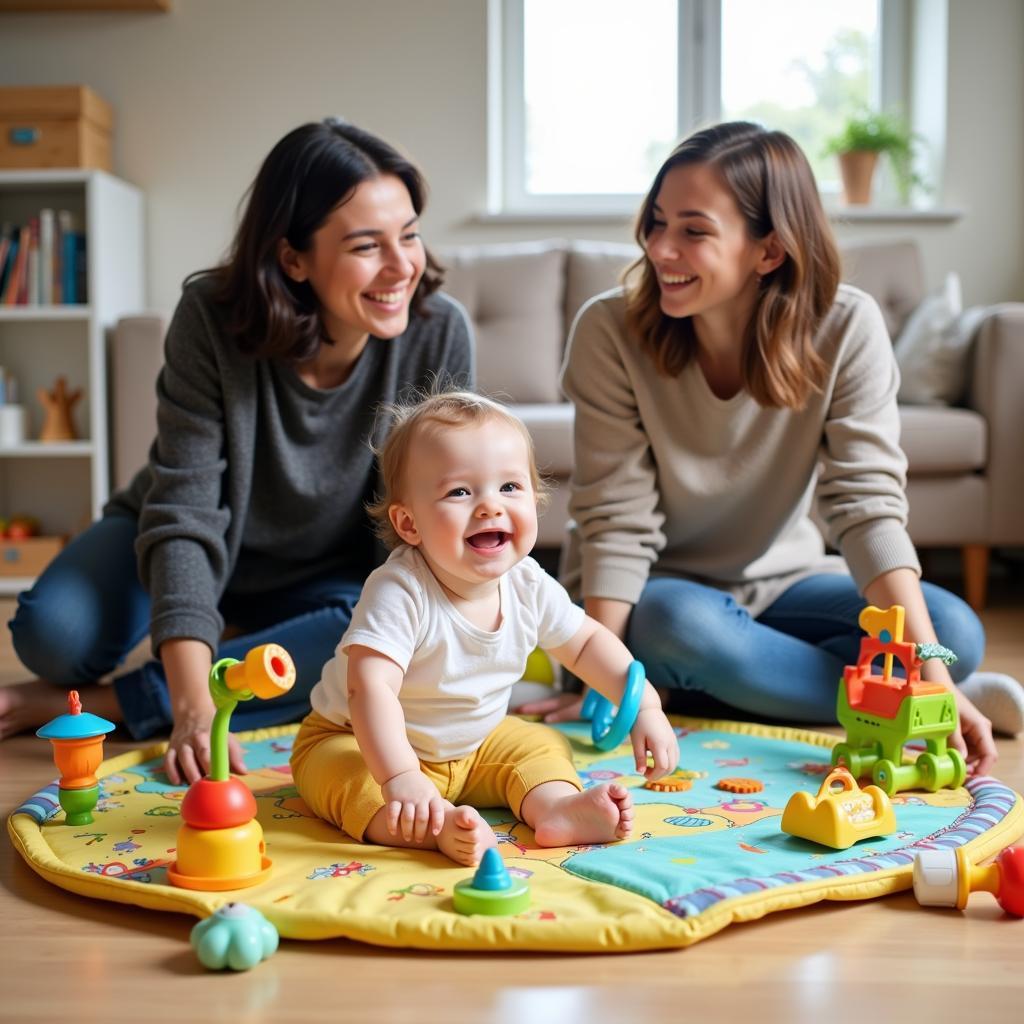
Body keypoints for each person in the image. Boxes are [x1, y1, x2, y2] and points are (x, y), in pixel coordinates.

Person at [519, 121, 1024, 777]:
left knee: (953, 633)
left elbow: (865, 505)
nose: (660, 248)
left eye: (693, 230)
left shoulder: (846, 325)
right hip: (654, 598)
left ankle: (890, 692)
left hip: (784, 582)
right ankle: (894, 705)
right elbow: (615, 517)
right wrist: (600, 672)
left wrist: (929, 664)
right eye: (657, 222)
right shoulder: (608, 330)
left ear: (768, 251)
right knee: (680, 628)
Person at [3, 119, 475, 785]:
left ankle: (115, 703)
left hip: (327, 575)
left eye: (410, 235)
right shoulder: (210, 317)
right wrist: (195, 706)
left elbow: (427, 529)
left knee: (375, 637)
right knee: (51, 636)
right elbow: (185, 512)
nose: (402, 267)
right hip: (193, 540)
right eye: (368, 246)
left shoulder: (438, 332)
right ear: (292, 259)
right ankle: (208, 656)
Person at [289, 392, 679, 866]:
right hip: (358, 740)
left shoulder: (528, 583)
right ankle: (432, 829)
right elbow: (369, 689)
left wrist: (644, 705)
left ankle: (555, 809)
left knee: (538, 744)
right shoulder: (400, 590)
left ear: (535, 501)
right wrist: (401, 778)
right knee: (347, 781)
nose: (489, 507)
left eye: (510, 487)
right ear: (409, 523)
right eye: (460, 492)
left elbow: (587, 643)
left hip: (475, 745)